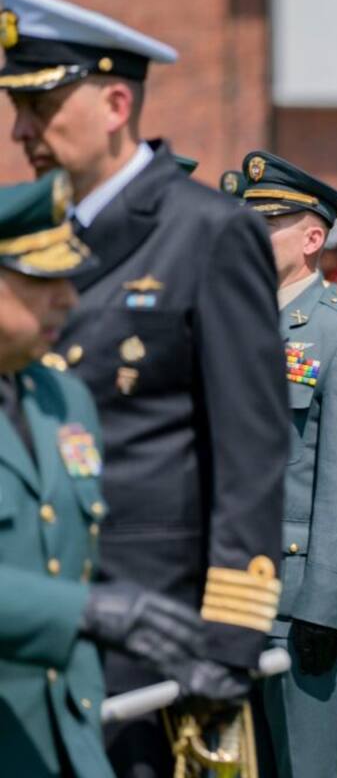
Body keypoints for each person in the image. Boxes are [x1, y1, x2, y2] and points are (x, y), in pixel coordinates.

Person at [0, 0, 289, 774]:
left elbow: (251, 451)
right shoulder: (28, 233)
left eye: (41, 105)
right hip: (34, 619)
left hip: (156, 633)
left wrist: (229, 641)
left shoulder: (206, 233)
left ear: (116, 103)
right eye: (16, 107)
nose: (21, 130)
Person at [0, 171, 214, 778]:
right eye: (42, 279)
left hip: (69, 739)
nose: (69, 298)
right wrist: (84, 612)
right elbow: (75, 596)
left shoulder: (63, 399)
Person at [235, 151, 337, 778]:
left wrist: (325, 603)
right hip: (225, 592)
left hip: (295, 595)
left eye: (265, 222)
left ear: (312, 237)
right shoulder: (231, 316)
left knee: (304, 764)